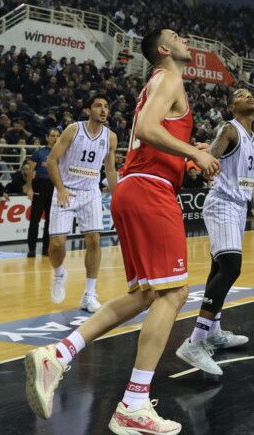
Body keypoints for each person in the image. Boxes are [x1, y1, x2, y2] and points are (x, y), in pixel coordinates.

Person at [23, 29, 219, 435]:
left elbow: (151, 138)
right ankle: (133, 402)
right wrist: (195, 152)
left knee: (147, 294)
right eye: (175, 36)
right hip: (149, 189)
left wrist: (186, 158)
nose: (185, 39)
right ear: (164, 50)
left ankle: (58, 354)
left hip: (134, 186)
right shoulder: (169, 78)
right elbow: (148, 130)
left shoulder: (156, 84)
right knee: (174, 293)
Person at [176, 88, 254, 375]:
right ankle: (196, 340)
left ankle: (213, 331)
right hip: (222, 202)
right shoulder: (230, 129)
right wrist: (205, 158)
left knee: (219, 269)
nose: (250, 97)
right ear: (231, 106)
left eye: (252, 94)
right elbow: (211, 156)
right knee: (230, 268)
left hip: (239, 207)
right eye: (242, 94)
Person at [44, 94, 119, 313]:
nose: (103, 110)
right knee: (57, 244)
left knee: (94, 240)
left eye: (106, 106)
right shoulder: (73, 130)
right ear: (88, 110)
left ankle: (89, 294)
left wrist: (117, 197)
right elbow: (51, 161)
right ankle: (59, 274)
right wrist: (60, 189)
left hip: (91, 192)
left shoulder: (111, 137)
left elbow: (111, 170)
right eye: (98, 106)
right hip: (66, 190)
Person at [26, 129, 58, 258]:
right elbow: (30, 171)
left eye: (57, 136)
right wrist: (29, 188)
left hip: (54, 187)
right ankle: (32, 249)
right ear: (47, 138)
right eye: (52, 136)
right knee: (35, 220)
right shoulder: (39, 152)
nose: (55, 138)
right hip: (40, 186)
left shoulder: (62, 153)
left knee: (50, 221)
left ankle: (46, 248)